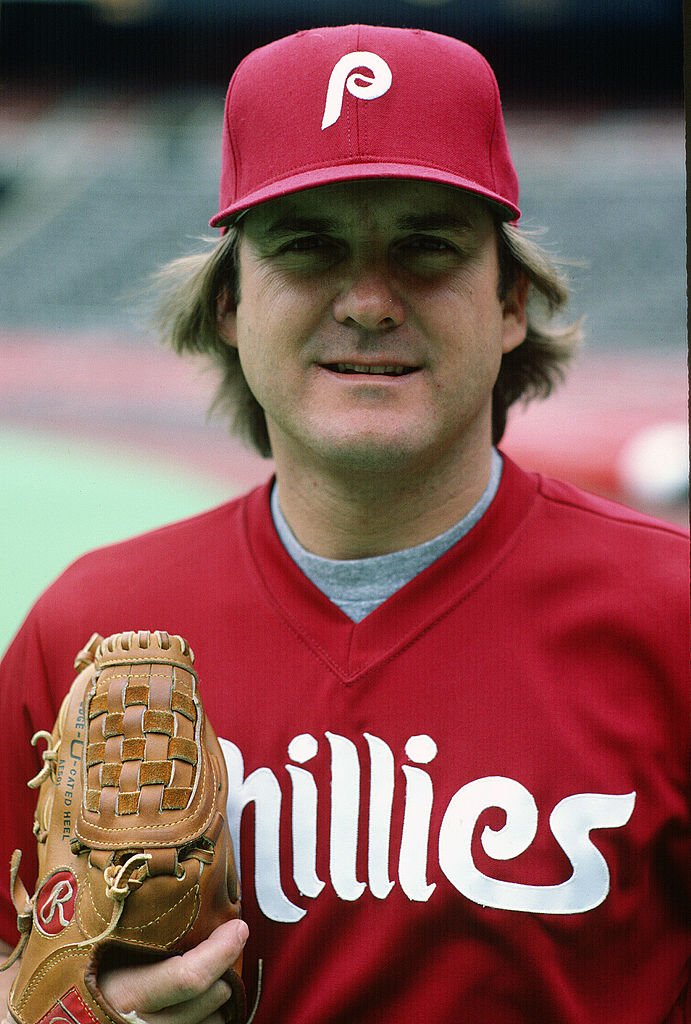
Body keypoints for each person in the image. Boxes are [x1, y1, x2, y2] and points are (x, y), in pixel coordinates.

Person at [0, 24, 688, 1024]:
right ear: (229, 302)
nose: (367, 301)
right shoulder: (91, 628)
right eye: (308, 247)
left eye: (426, 247)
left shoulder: (670, 619)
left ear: (509, 302)